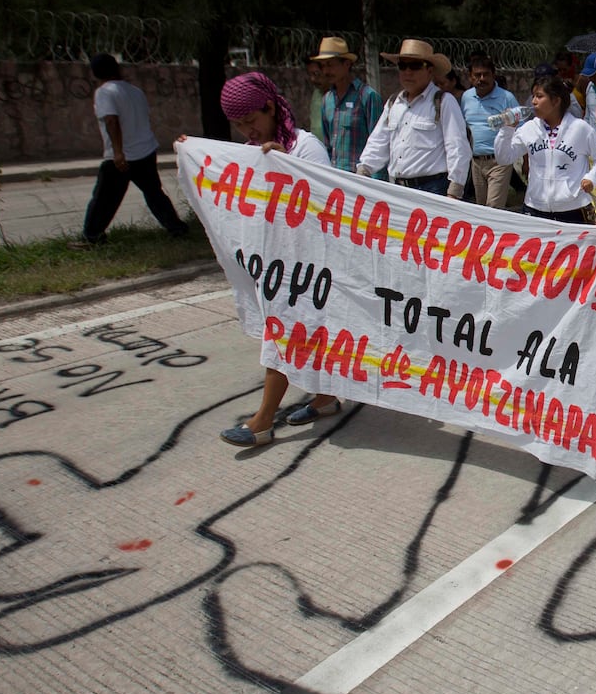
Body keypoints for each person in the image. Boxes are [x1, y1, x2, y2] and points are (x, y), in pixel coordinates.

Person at [210, 73, 341, 448]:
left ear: (271, 107)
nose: (247, 130)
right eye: (239, 125)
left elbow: (326, 207)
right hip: (275, 262)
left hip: (307, 265)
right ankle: (326, 397)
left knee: (282, 337)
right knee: (308, 336)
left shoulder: (305, 147)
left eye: (251, 120)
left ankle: (262, 421)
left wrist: (288, 170)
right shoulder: (253, 151)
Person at [71, 53, 189, 249]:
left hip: (123, 155)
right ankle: (177, 228)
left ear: (94, 73)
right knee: (154, 193)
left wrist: (118, 152)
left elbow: (111, 120)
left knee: (103, 198)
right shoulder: (135, 91)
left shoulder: (104, 92)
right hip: (146, 150)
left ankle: (92, 237)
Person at [356, 39, 471, 197]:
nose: (407, 72)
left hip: (432, 190)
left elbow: (457, 146)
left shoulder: (444, 101)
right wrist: (364, 170)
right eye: (403, 66)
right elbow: (379, 141)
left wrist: (455, 189)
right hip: (397, 190)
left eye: (415, 66)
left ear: (430, 71)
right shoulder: (393, 103)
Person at [492, 75, 596, 224]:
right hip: (535, 208)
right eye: (533, 96)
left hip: (573, 209)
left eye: (539, 96)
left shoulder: (580, 129)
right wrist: (507, 130)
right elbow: (504, 158)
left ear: (556, 100)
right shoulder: (529, 128)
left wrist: (591, 178)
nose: (533, 101)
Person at [313, 36, 384, 175]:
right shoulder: (327, 100)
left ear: (346, 64)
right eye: (323, 66)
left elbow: (380, 146)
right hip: (336, 181)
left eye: (331, 65)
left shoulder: (367, 97)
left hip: (361, 181)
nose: (326, 71)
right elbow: (328, 146)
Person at [461, 52, 521, 209]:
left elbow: (521, 129)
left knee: (493, 207)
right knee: (481, 208)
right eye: (477, 75)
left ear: (493, 75)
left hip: (499, 162)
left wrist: (525, 161)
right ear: (470, 77)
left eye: (485, 75)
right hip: (476, 162)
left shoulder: (506, 98)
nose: (481, 79)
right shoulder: (466, 98)